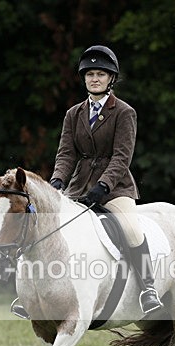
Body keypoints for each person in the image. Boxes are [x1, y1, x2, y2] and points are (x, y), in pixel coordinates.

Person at [11, 45, 163, 319]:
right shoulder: (73, 114)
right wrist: (56, 183)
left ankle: (147, 289)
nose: (94, 79)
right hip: (78, 187)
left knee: (131, 229)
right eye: (90, 74)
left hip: (115, 188)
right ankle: (29, 295)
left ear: (111, 79)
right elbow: (66, 154)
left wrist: (103, 187)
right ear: (83, 78)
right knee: (41, 228)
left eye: (101, 74)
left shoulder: (124, 112)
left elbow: (121, 157)